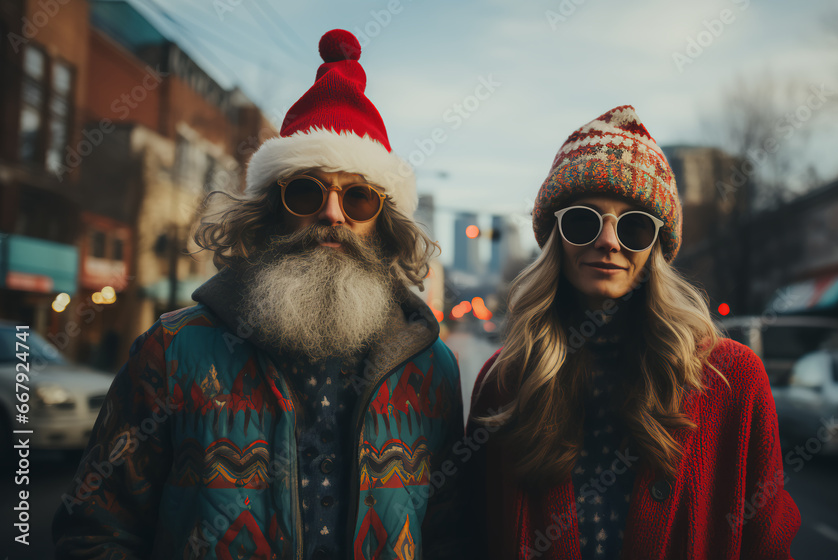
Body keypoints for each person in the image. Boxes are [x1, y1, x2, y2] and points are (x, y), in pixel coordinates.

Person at [53, 30, 464, 560]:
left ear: (383, 224)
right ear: (271, 210)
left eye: (359, 197)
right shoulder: (173, 351)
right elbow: (93, 529)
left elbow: (455, 535)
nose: (332, 214)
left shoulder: (433, 370)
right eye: (305, 191)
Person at [465, 106, 800, 559]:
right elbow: (472, 534)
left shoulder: (732, 378)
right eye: (583, 220)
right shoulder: (503, 381)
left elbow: (768, 543)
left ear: (657, 248)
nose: (608, 240)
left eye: (635, 225)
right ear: (556, 240)